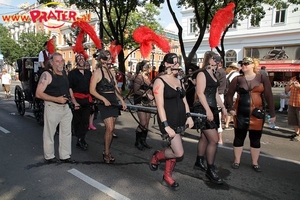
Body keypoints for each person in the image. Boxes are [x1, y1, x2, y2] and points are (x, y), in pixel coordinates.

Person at [150, 53, 194, 190]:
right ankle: (157, 156)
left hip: (180, 120)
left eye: (178, 63)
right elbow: (160, 106)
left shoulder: (179, 81)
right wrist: (166, 125)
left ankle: (167, 176)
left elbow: (184, 101)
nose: (177, 65)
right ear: (166, 64)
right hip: (168, 121)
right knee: (179, 152)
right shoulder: (160, 81)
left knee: (174, 150)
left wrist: (189, 116)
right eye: (173, 63)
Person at [225, 57, 276, 172]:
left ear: (253, 65)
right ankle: (237, 161)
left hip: (257, 114)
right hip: (240, 114)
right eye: (242, 64)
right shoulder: (237, 79)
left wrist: (272, 113)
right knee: (239, 138)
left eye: (246, 63)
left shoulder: (262, 78)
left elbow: (269, 96)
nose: (243, 65)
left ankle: (255, 163)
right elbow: (228, 95)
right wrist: (231, 108)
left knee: (255, 139)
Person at [193, 51, 227, 184]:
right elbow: (200, 93)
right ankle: (210, 169)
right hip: (203, 109)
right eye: (215, 59)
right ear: (209, 60)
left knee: (204, 137)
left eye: (219, 59)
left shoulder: (213, 74)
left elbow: (216, 94)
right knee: (214, 140)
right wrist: (207, 111)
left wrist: (223, 107)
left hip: (211, 108)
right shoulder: (202, 73)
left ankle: (199, 161)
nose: (218, 61)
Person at [35, 52, 74, 163]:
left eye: (61, 61)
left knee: (66, 132)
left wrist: (73, 101)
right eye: (57, 61)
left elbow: (68, 88)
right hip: (53, 107)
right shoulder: (47, 75)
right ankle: (49, 156)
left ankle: (65, 155)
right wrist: (57, 99)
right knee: (49, 133)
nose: (60, 63)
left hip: (66, 107)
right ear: (51, 63)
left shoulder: (65, 73)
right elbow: (38, 93)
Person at [89, 50, 126, 163]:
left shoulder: (111, 72)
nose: (110, 60)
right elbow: (91, 90)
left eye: (110, 58)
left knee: (111, 129)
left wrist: (122, 101)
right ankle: (106, 152)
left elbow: (115, 89)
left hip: (113, 101)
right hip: (104, 102)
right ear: (102, 60)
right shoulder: (97, 72)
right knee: (109, 128)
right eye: (108, 58)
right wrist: (103, 99)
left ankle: (107, 150)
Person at [68, 54, 92, 151]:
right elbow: (70, 87)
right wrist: (74, 101)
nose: (81, 60)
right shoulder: (72, 73)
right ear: (76, 61)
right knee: (77, 120)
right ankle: (79, 138)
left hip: (87, 100)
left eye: (82, 58)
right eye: (79, 58)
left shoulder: (88, 73)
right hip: (77, 99)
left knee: (85, 120)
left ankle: (82, 138)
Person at [133, 60, 153, 151]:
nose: (150, 67)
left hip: (148, 102)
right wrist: (146, 94)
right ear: (143, 68)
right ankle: (137, 142)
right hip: (140, 101)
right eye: (148, 66)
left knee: (147, 123)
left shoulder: (147, 77)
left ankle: (143, 141)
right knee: (143, 123)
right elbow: (136, 90)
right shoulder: (139, 78)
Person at [224, 62, 240, 130]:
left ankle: (226, 122)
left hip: (226, 94)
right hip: (234, 94)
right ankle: (227, 124)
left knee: (227, 108)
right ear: (236, 68)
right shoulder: (236, 74)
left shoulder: (227, 74)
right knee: (232, 109)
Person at [285, 73, 300, 141]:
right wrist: (289, 84)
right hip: (292, 103)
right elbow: (286, 90)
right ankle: (297, 133)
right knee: (293, 120)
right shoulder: (294, 78)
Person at [215, 58, 226, 145]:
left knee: (217, 117)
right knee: (217, 117)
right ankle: (218, 138)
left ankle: (219, 139)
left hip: (217, 95)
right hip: (219, 95)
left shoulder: (219, 72)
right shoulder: (221, 71)